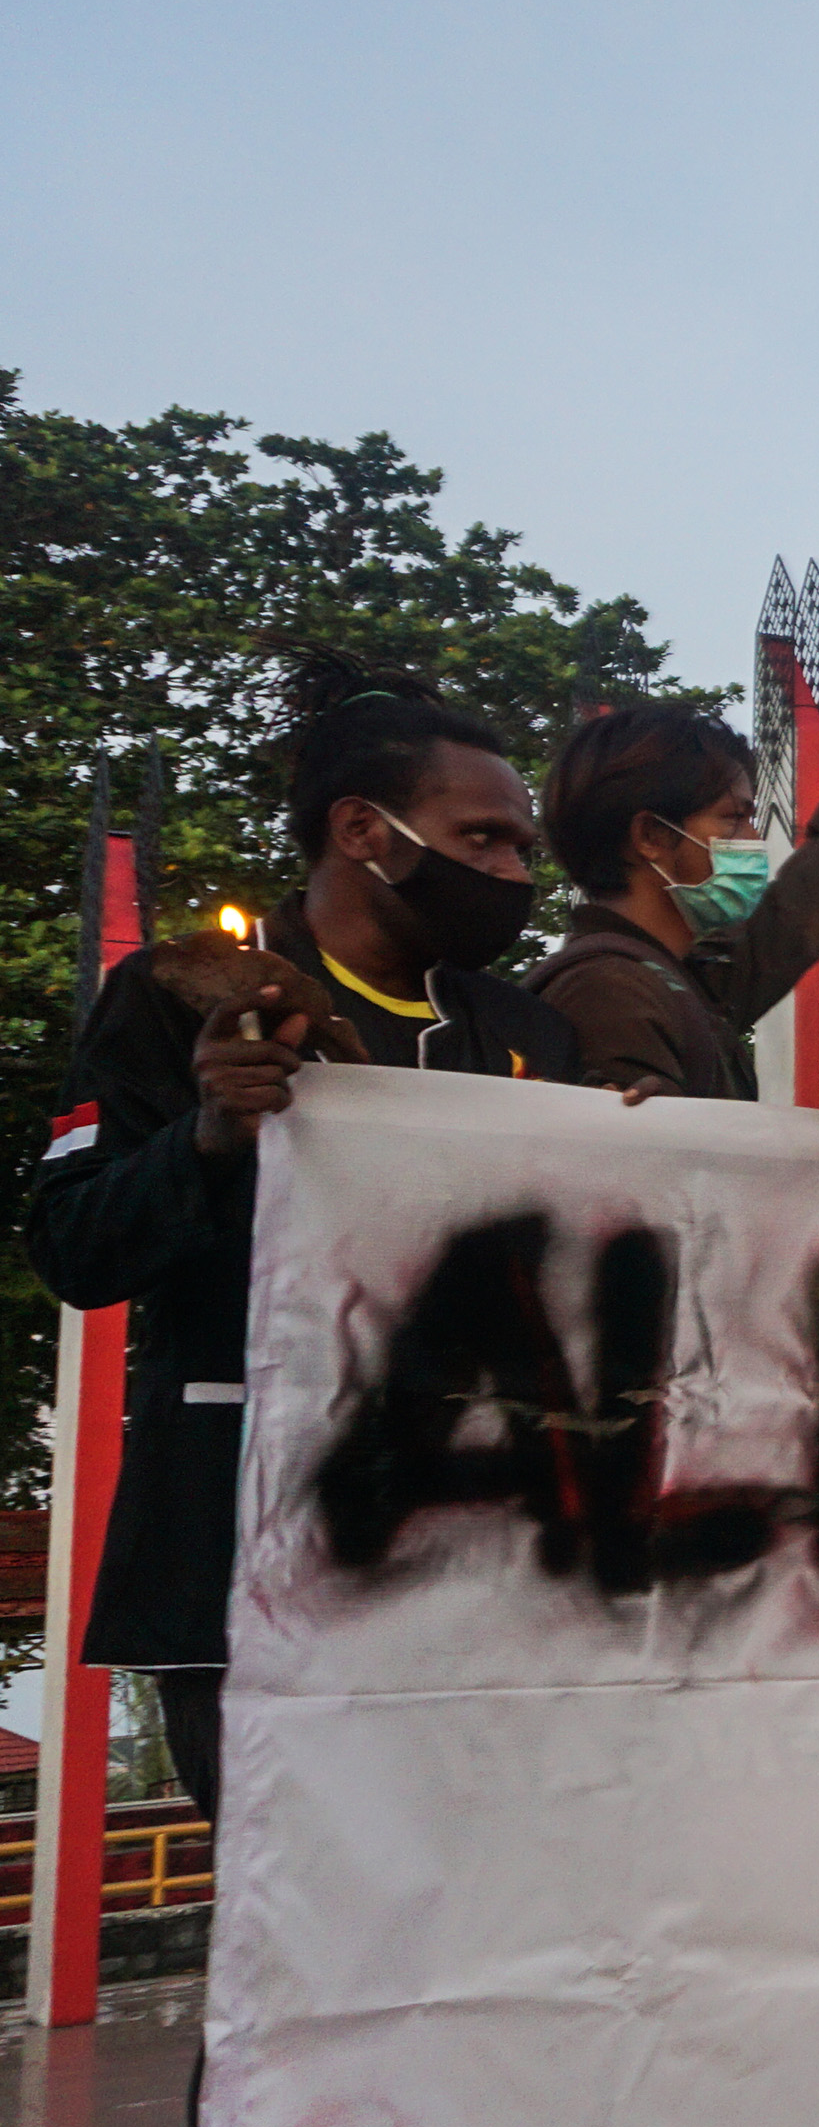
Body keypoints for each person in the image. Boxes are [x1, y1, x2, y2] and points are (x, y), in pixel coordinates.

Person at [27, 659, 587, 1825]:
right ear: (362, 830)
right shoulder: (178, 996)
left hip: (487, 1564)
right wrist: (207, 1137)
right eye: (483, 838)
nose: (515, 872)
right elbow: (74, 1245)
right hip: (246, 1555)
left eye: (524, 848)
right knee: (302, 1901)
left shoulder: (525, 1032)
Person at [531, 603, 819, 1124]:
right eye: (733, 819)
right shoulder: (609, 990)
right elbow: (665, 1166)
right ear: (650, 837)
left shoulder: (693, 976)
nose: (754, 840)